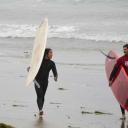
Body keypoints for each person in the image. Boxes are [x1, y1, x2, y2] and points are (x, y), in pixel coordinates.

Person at [27, 48, 58, 116]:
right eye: (51, 53)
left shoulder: (51, 63)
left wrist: (55, 76)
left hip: (45, 82)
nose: (52, 54)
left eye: (52, 53)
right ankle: (40, 109)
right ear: (46, 54)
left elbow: (55, 72)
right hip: (37, 80)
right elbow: (30, 67)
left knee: (43, 96)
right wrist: (29, 69)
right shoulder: (39, 61)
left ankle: (40, 109)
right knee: (39, 94)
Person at [109, 44, 128, 120]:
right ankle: (123, 115)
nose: (124, 50)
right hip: (123, 82)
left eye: (125, 49)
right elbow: (115, 69)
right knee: (122, 97)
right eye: (123, 49)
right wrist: (110, 79)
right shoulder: (121, 59)